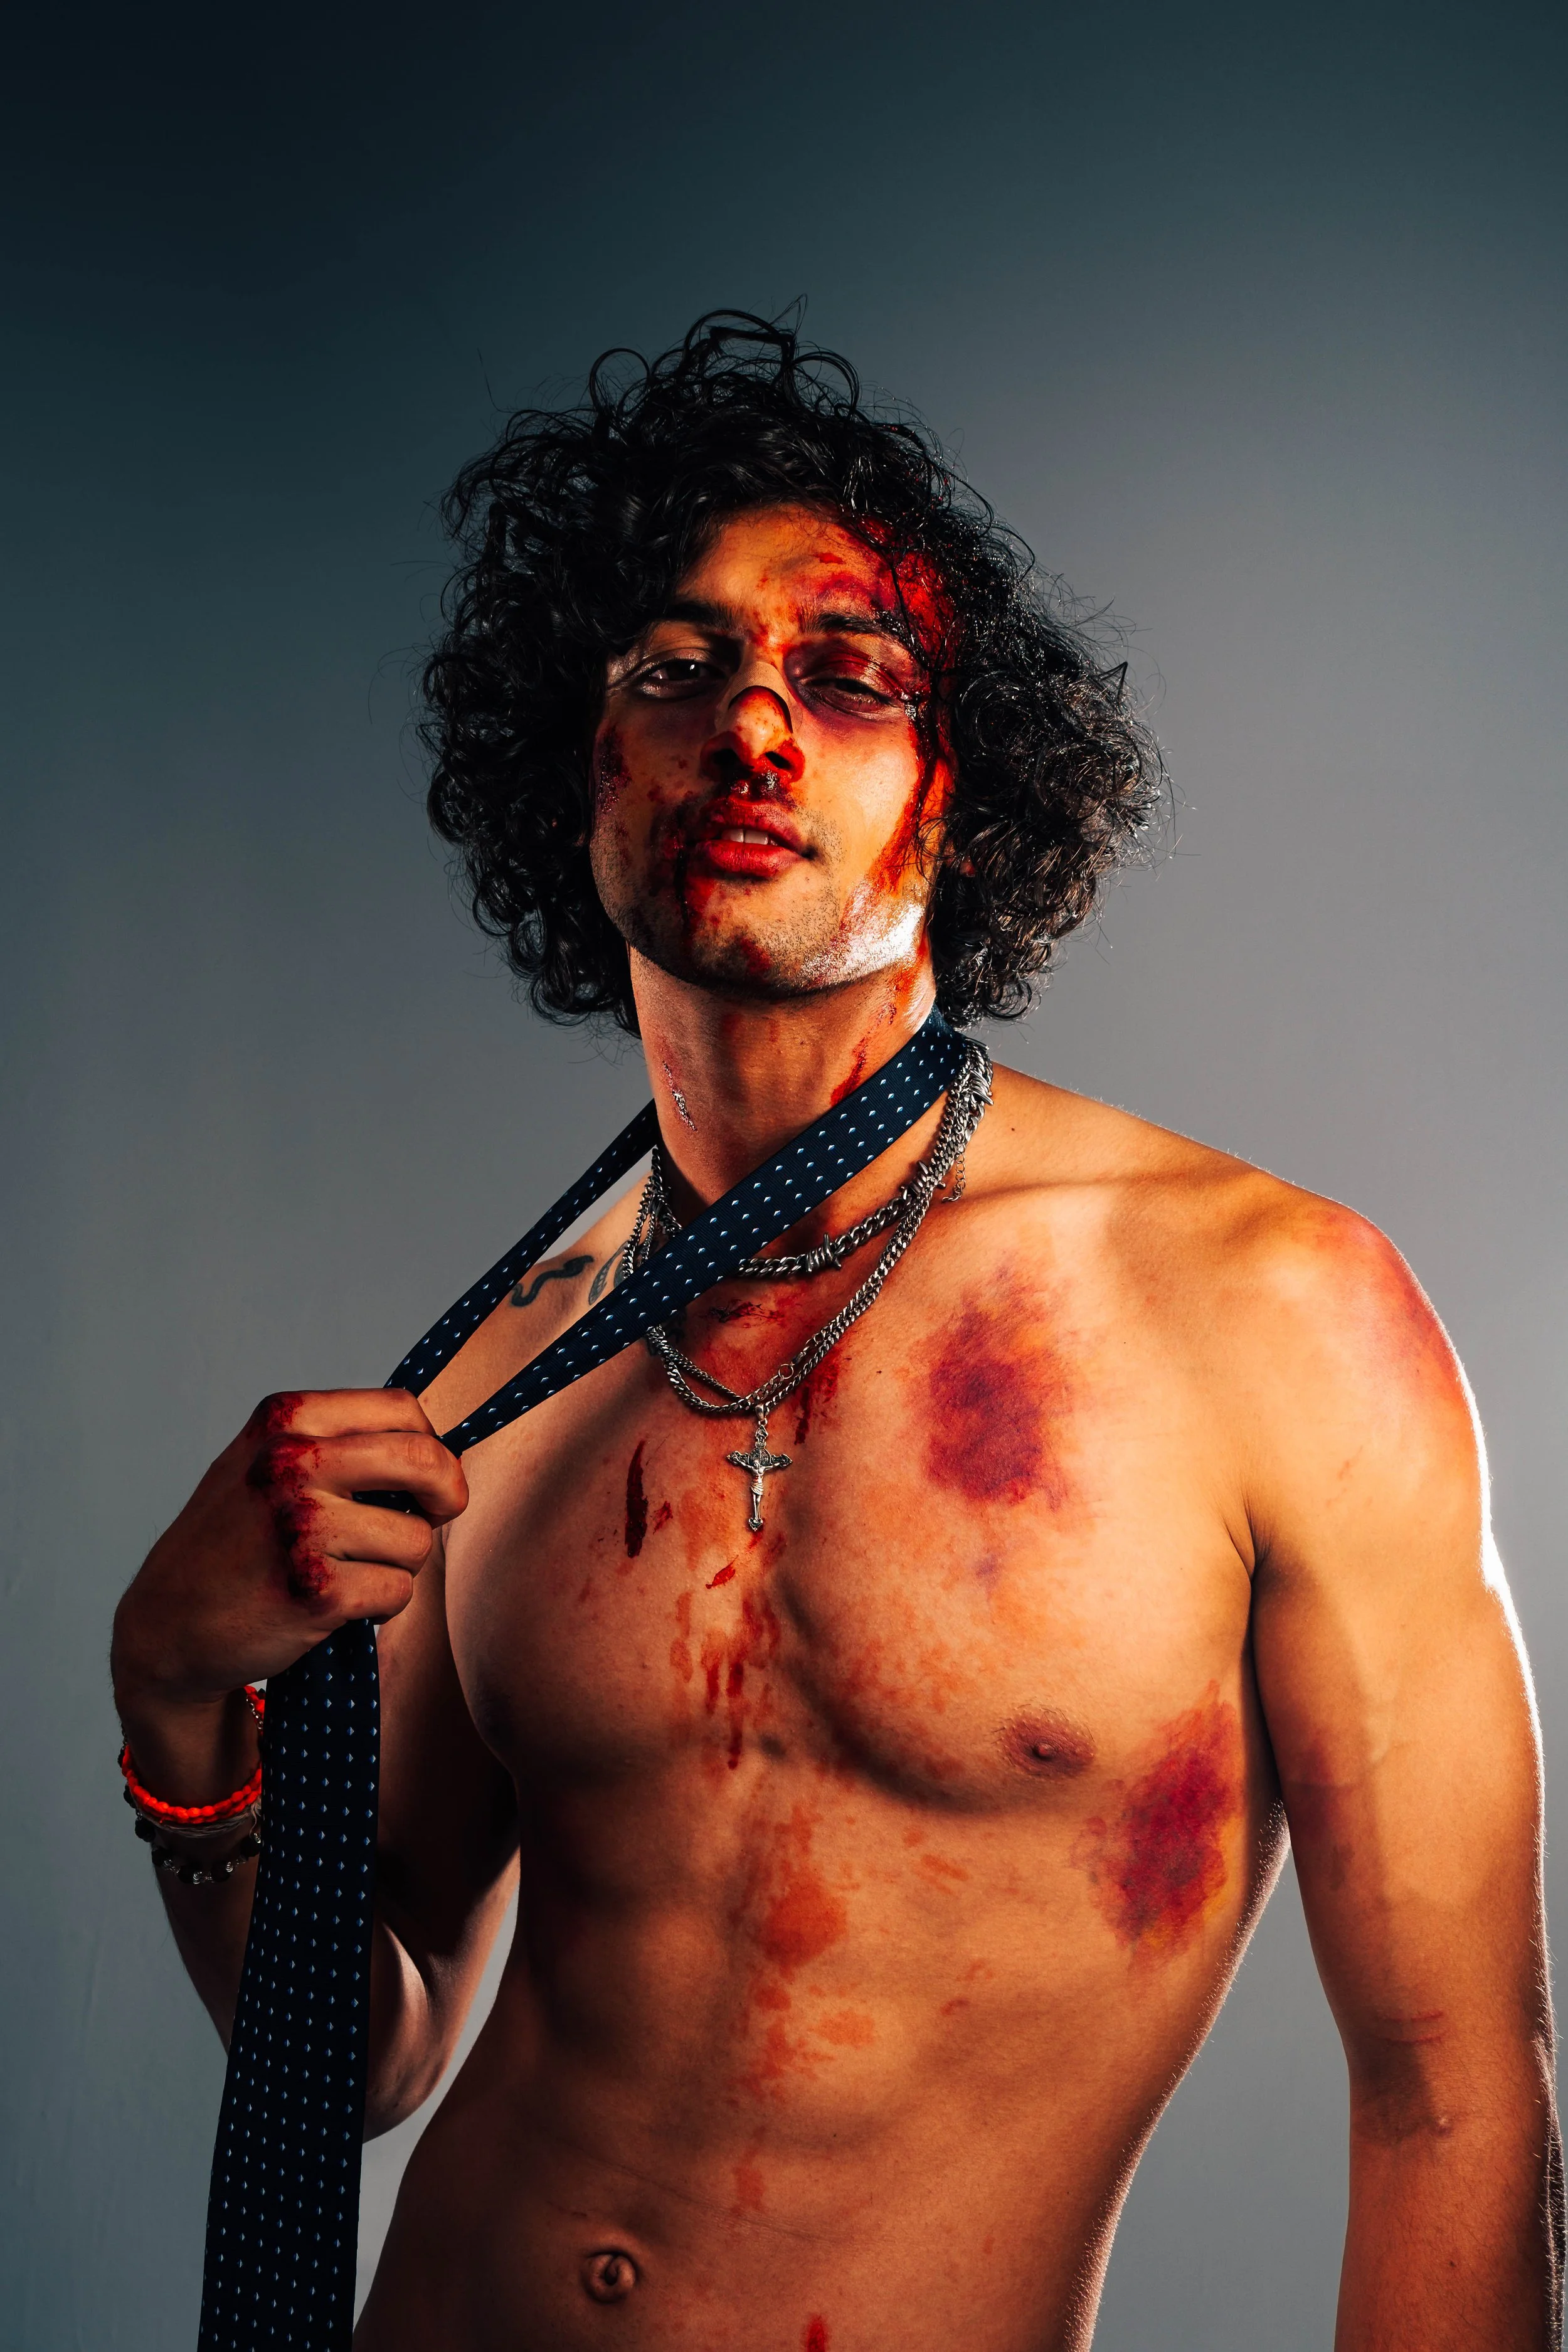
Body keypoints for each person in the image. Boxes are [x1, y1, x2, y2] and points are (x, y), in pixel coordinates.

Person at [110, 315, 1561, 2352]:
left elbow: (1450, 2103)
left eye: (849, 678)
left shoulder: (1265, 1312)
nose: (752, 731)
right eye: (675, 670)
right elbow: (359, 2061)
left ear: (962, 801)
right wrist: (180, 1721)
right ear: (586, 771)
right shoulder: (488, 1381)